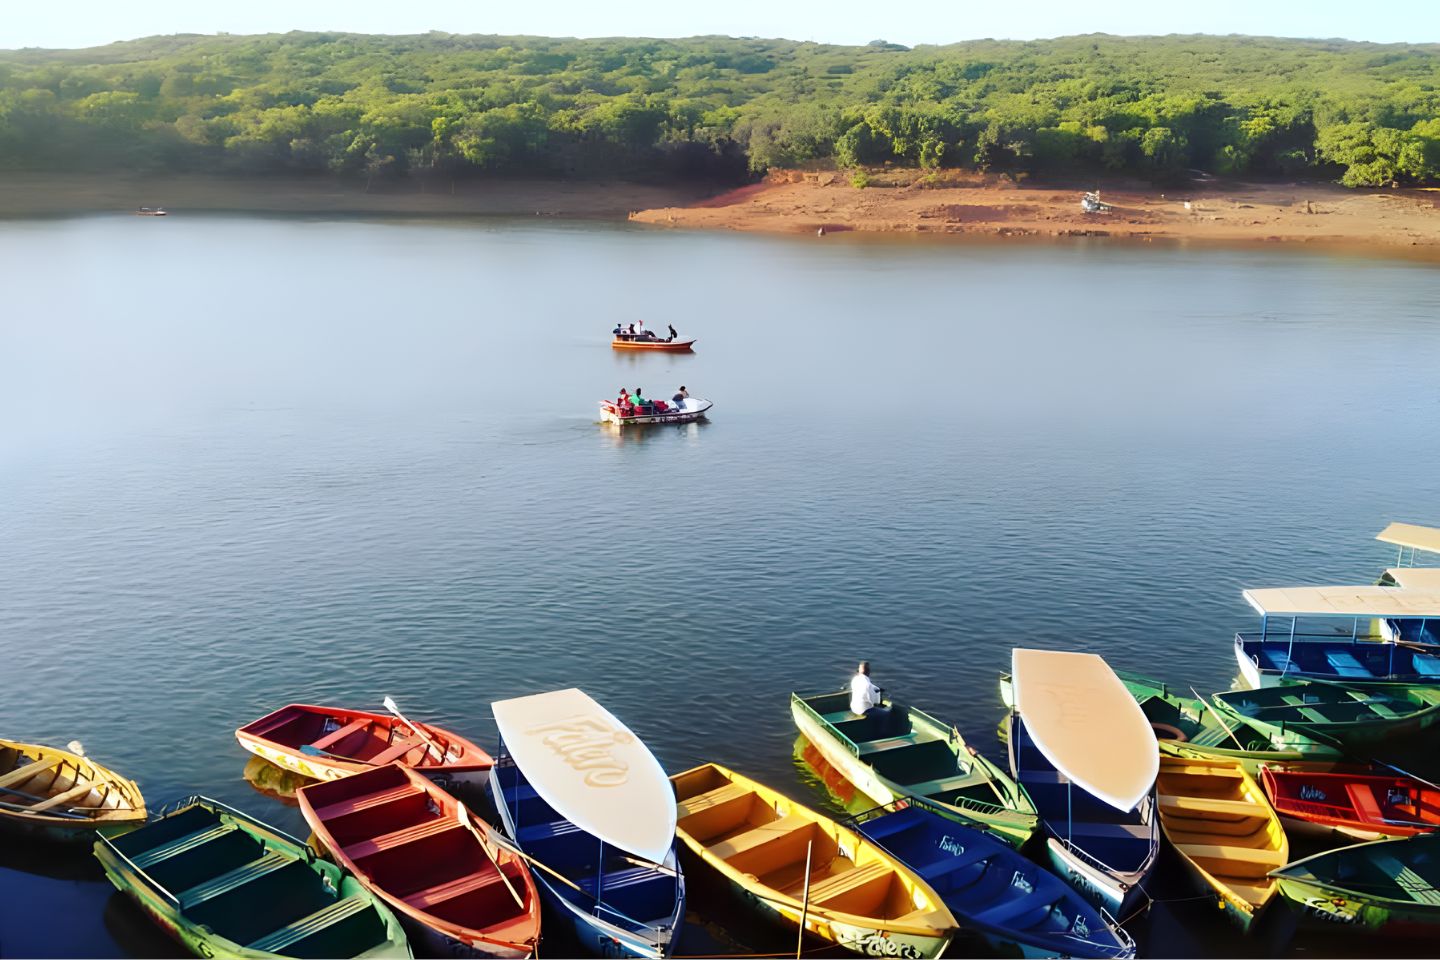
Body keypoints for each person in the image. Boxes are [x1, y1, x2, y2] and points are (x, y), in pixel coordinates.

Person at [849, 661, 891, 729]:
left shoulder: (855, 679)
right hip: (862, 710)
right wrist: (877, 696)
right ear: (869, 672)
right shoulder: (868, 685)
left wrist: (876, 688)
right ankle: (882, 732)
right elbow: (873, 702)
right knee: (886, 713)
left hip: (853, 707)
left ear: (859, 670)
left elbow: (868, 687)